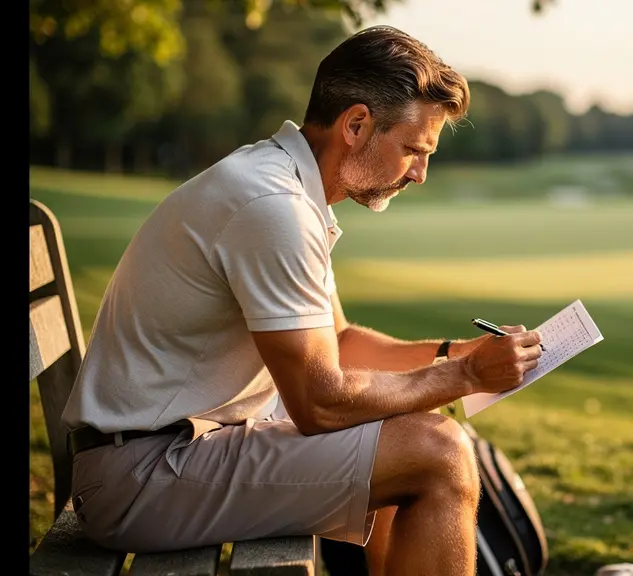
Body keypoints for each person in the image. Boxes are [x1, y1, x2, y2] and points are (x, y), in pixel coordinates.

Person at [59, 25, 544, 576]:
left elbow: (338, 342)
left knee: (422, 431)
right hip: (143, 476)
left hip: (169, 452)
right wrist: (466, 377)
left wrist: (457, 355)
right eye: (413, 150)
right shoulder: (273, 207)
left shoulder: (285, 187)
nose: (420, 173)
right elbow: (320, 403)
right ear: (357, 125)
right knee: (440, 454)